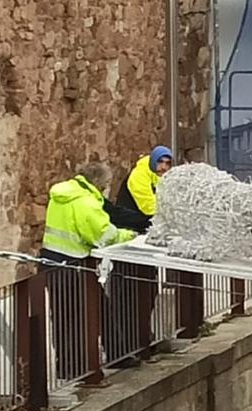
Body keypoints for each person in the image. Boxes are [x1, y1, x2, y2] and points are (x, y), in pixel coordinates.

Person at [41, 162, 136, 381]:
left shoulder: (63, 192)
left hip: (53, 260)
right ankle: (80, 368)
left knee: (69, 316)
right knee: (79, 317)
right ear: (99, 183)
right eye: (107, 184)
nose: (107, 188)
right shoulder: (86, 203)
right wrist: (129, 236)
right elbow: (103, 234)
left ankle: (78, 363)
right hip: (73, 265)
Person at [114, 145, 173, 233]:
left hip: (142, 222)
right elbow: (149, 208)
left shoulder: (158, 174)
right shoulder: (139, 175)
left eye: (167, 163)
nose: (163, 167)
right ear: (153, 161)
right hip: (129, 226)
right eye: (160, 162)